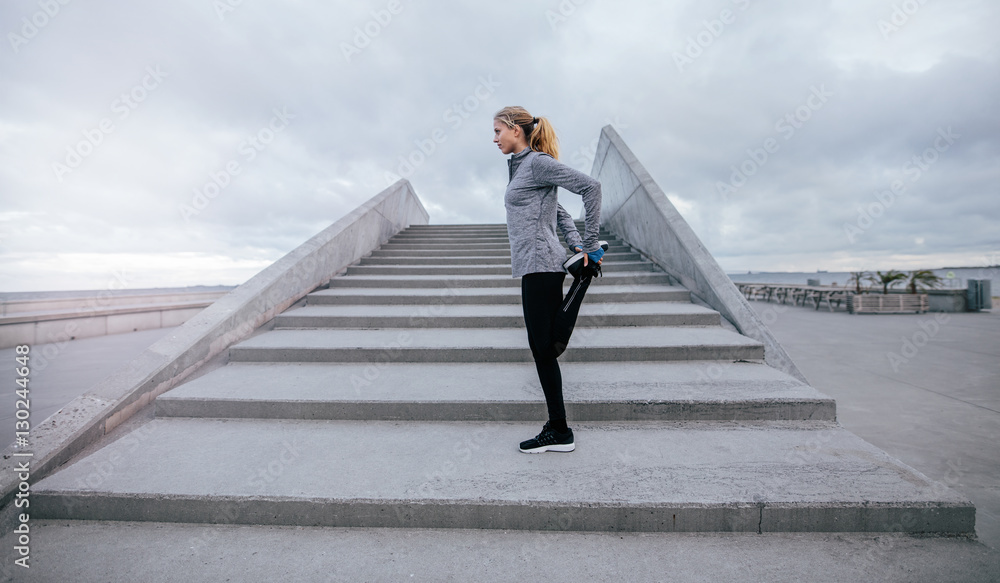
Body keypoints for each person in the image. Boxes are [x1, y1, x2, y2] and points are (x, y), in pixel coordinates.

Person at [492, 106, 605, 453]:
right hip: (533, 266)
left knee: (544, 349)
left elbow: (591, 187)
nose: (494, 138)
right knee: (542, 349)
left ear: (516, 130)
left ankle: (559, 430)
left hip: (542, 264)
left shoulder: (537, 162)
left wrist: (588, 243)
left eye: (498, 131)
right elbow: (557, 210)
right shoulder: (520, 169)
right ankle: (558, 428)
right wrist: (573, 241)